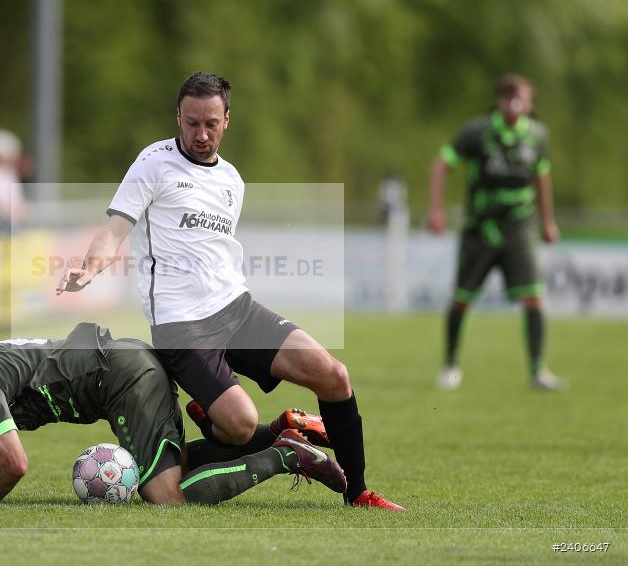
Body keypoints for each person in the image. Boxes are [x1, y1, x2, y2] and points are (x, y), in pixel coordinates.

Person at [56, 72, 403, 510]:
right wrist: (89, 268)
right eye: (192, 123)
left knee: (333, 375)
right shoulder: (153, 163)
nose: (201, 134)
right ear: (178, 118)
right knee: (241, 425)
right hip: (182, 326)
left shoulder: (232, 181)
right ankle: (261, 430)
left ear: (227, 121)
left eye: (211, 124)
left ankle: (359, 493)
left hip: (236, 310)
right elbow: (114, 231)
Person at [0, 322, 347, 505]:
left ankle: (287, 456)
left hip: (122, 377)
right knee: (176, 465)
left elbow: (14, 464)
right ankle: (277, 431)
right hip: (121, 366)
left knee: (166, 496)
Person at [428, 73, 561, 391]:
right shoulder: (478, 132)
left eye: (522, 100)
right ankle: (450, 366)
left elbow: (542, 178)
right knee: (462, 298)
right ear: (500, 102)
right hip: (481, 228)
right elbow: (441, 164)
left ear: (530, 104)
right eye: (510, 99)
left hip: (520, 227)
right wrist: (436, 210)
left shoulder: (538, 135)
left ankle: (538, 371)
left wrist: (548, 221)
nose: (516, 105)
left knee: (533, 297)